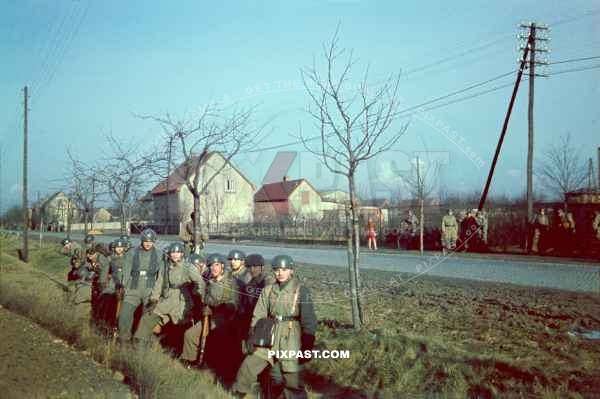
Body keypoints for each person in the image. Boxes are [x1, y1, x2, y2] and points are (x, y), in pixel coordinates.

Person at [232, 255, 317, 399]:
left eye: (284, 269)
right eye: (277, 270)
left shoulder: (301, 291)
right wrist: (253, 335)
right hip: (269, 334)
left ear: (291, 270)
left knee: (291, 378)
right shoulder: (268, 290)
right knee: (249, 365)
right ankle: (239, 394)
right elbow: (259, 314)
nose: (280, 273)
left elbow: (309, 319)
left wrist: (307, 343)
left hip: (291, 336)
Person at [134, 242, 206, 346]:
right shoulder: (165, 265)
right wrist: (154, 299)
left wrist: (199, 295)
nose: (175, 255)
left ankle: (179, 349)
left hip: (182, 299)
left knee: (181, 324)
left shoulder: (188, 267)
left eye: (178, 252)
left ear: (182, 254)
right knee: (148, 316)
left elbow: (200, 282)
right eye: (173, 252)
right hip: (167, 297)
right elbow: (159, 283)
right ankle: (140, 343)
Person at [181, 253, 240, 371]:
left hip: (224, 319)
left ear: (222, 266)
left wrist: (215, 308)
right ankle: (190, 361)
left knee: (214, 339)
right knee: (190, 335)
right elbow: (205, 299)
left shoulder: (231, 282)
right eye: (211, 266)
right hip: (209, 316)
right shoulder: (209, 281)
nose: (214, 268)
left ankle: (213, 366)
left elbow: (234, 304)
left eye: (217, 265)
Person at [117, 228, 163, 343]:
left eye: (150, 241)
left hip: (150, 288)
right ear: (141, 240)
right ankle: (124, 338)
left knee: (147, 315)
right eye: (146, 241)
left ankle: (143, 341)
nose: (148, 243)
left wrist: (157, 293)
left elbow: (161, 274)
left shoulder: (159, 254)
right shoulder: (132, 253)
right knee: (124, 315)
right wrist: (123, 287)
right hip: (134, 287)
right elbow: (126, 271)